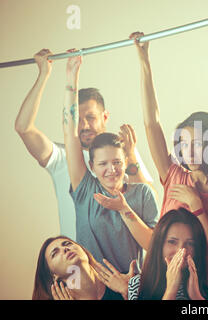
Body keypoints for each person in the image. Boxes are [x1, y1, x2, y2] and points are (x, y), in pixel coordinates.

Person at [129, 32, 208, 299]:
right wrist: (144, 61)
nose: (188, 151)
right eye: (183, 143)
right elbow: (151, 124)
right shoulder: (174, 175)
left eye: (198, 143)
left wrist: (197, 206)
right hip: (163, 280)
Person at [15, 49, 154, 240]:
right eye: (78, 120)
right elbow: (23, 127)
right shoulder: (60, 156)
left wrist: (130, 157)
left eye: (90, 117)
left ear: (105, 117)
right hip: (76, 263)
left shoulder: (123, 156)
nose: (84, 125)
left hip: (125, 266)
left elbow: (149, 203)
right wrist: (43, 75)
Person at [63, 51, 159, 274]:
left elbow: (153, 247)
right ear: (92, 167)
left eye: (116, 162)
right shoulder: (85, 189)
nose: (111, 169)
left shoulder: (142, 194)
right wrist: (71, 77)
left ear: (125, 161)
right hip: (93, 290)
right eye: (103, 164)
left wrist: (124, 208)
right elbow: (70, 131)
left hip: (133, 290)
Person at [127, 208, 208, 300]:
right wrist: (171, 291)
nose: (182, 250)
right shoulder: (138, 284)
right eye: (172, 242)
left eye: (190, 243)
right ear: (159, 245)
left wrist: (196, 296)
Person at [32, 236, 136, 300]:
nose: (65, 249)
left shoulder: (127, 282)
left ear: (83, 251)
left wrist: (129, 291)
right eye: (55, 253)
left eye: (67, 244)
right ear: (54, 275)